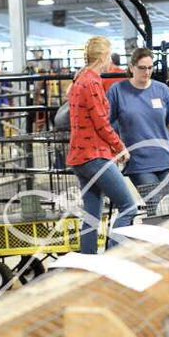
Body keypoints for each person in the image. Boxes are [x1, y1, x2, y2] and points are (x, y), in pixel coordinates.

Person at [67, 36, 138, 255]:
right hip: (95, 156)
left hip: (80, 157)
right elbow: (101, 123)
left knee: (92, 215)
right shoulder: (93, 82)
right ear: (104, 56)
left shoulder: (80, 80)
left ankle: (87, 261)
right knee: (128, 206)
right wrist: (120, 147)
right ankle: (114, 256)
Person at [106, 47, 169, 188]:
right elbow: (106, 125)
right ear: (131, 67)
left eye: (150, 67)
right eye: (142, 68)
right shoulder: (117, 91)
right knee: (155, 201)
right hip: (138, 162)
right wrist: (116, 148)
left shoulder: (163, 90)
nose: (147, 72)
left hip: (166, 159)